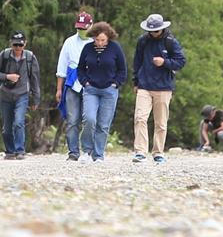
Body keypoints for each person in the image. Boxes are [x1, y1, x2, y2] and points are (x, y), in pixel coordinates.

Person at [132, 13, 186, 163]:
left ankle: (158, 152)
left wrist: (164, 62)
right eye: (150, 31)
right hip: (144, 85)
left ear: (161, 29)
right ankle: (140, 151)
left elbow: (181, 62)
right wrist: (136, 82)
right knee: (140, 118)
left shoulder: (171, 42)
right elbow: (137, 62)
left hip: (163, 87)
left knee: (161, 122)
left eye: (155, 31)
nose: (153, 33)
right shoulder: (142, 41)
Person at [75, 22, 127, 160]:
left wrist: (116, 84)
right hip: (91, 89)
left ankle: (98, 155)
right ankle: (86, 151)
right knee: (89, 119)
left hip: (109, 91)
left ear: (108, 38)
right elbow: (80, 68)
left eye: (103, 40)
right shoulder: (87, 48)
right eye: (97, 40)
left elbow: (122, 70)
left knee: (103, 124)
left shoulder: (115, 48)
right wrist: (85, 82)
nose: (99, 43)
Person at [0, 32, 41, 160]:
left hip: (22, 95)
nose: (18, 48)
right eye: (15, 45)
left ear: (25, 44)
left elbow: (35, 79)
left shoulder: (30, 57)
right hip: (6, 95)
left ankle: (20, 150)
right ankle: (10, 150)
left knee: (19, 122)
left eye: (20, 45)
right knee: (7, 126)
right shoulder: (4, 55)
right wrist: (7, 77)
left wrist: (36, 99)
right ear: (11, 43)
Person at [55, 12, 95, 161]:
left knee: (89, 119)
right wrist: (59, 89)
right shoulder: (69, 42)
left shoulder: (95, 42)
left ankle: (88, 150)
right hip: (72, 84)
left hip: (90, 84)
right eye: (79, 28)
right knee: (72, 120)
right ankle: (73, 151)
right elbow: (61, 67)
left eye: (84, 28)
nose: (81, 31)